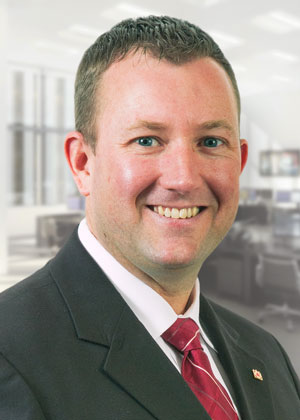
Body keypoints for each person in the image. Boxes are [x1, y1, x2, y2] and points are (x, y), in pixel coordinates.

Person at [0, 15, 299, 420]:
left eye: (211, 142)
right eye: (146, 140)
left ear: (240, 162)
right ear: (83, 162)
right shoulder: (11, 360)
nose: (183, 178)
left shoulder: (268, 354)